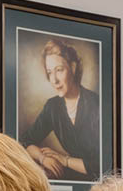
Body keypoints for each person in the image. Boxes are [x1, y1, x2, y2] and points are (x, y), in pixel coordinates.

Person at [21, 38, 100, 182]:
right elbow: (25, 141)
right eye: (50, 72)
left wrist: (63, 160)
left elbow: (100, 165)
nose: (54, 80)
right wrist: (43, 157)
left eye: (59, 70)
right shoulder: (53, 107)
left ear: (73, 68)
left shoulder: (95, 104)